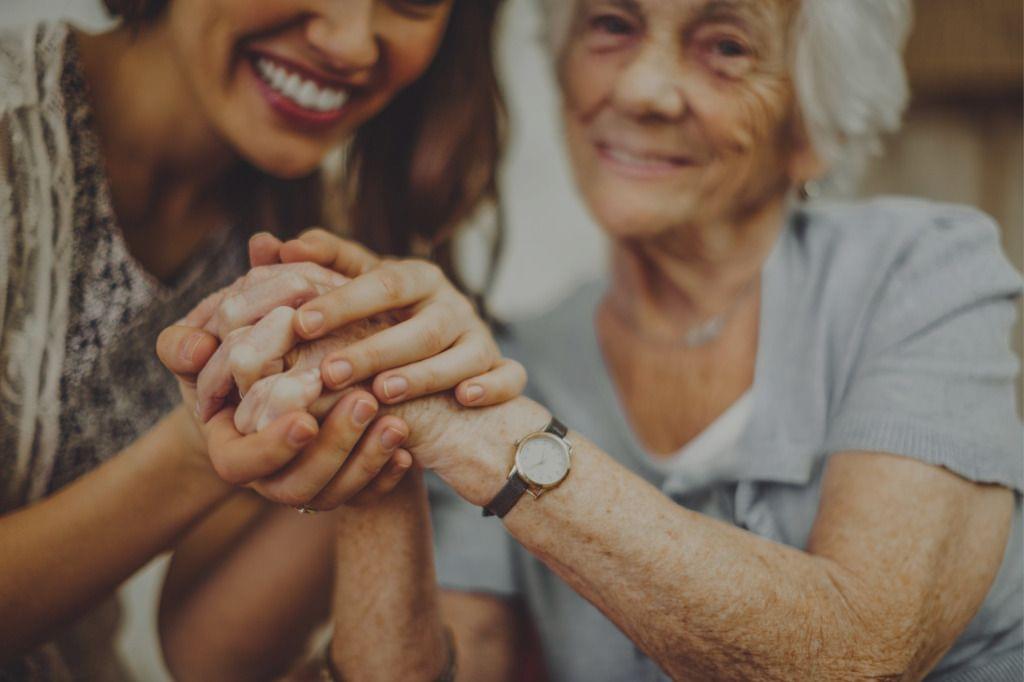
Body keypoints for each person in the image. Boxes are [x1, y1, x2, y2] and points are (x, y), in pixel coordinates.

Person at [166, 0, 1023, 679]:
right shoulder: (514, 350)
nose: (644, 89)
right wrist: (376, 401)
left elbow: (856, 658)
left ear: (813, 119)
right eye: (611, 26)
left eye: (725, 46)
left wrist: (480, 432)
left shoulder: (921, 268)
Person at [0, 1, 521, 679]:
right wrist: (197, 451)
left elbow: (209, 656)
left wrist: (383, 417)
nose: (351, 43)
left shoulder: (312, 241)